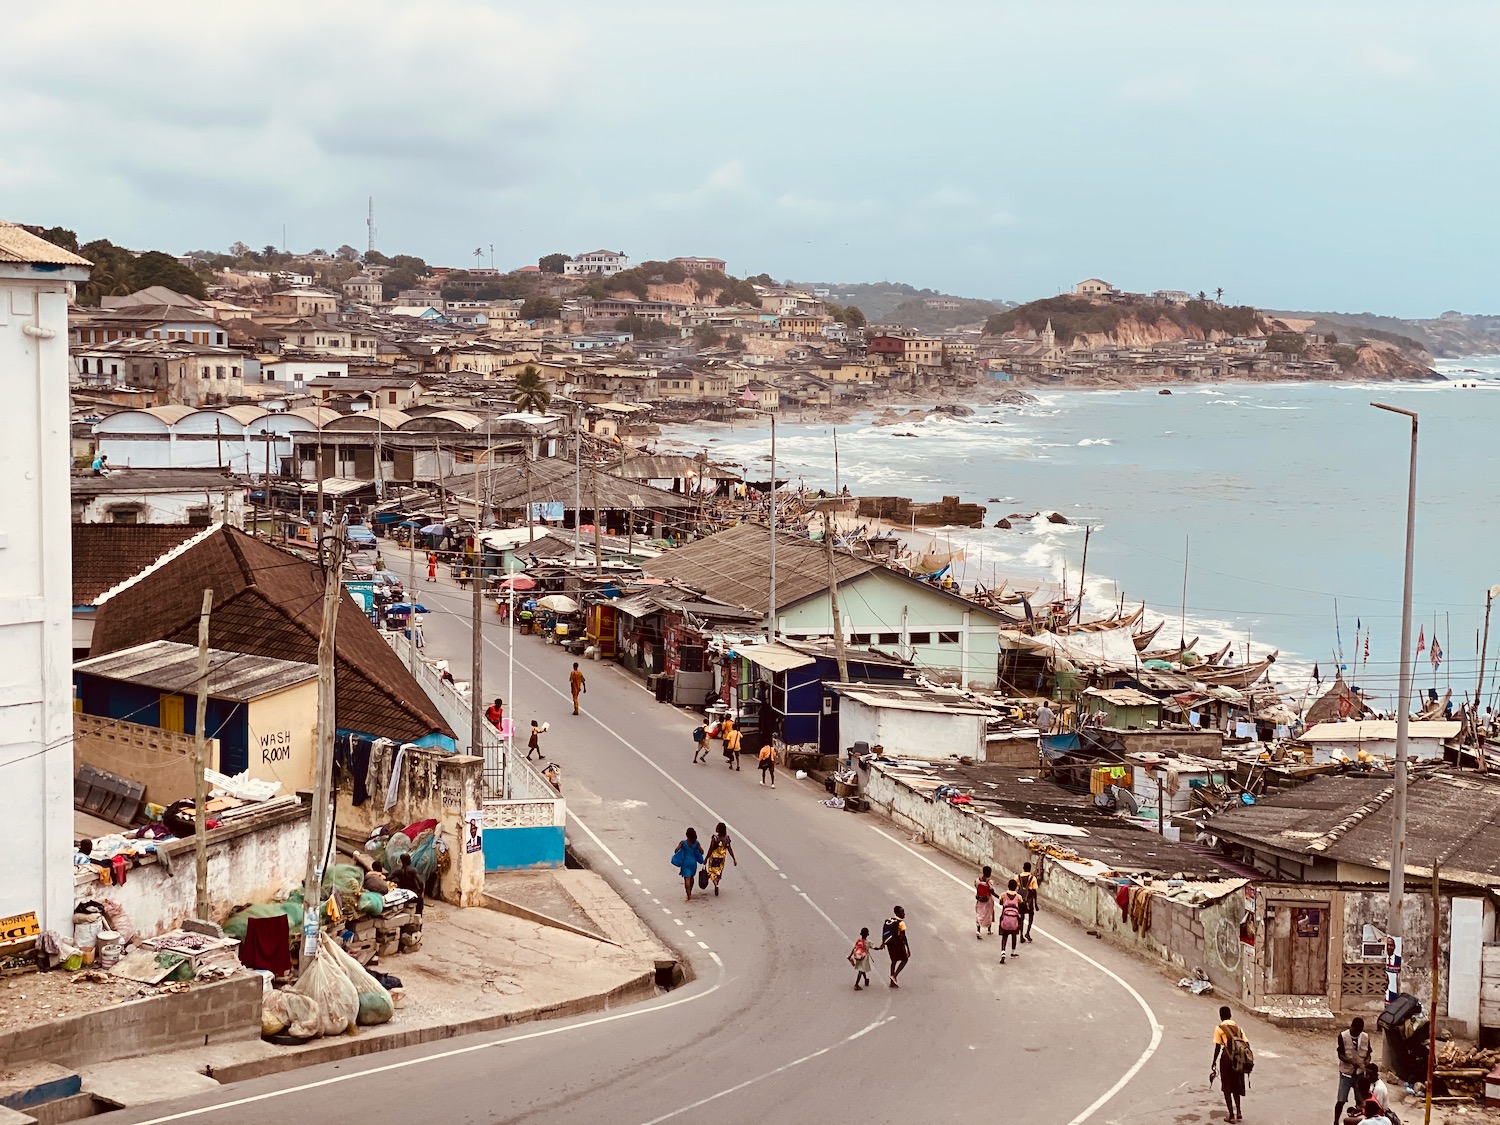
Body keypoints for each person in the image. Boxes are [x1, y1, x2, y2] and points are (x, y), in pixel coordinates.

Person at [1211, 1005, 1249, 1123]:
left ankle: (1231, 1116)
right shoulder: (1238, 1029)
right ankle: (1239, 1111)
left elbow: (1218, 1047)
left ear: (1221, 1016)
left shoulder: (1219, 1028)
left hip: (1226, 1058)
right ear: (1230, 1015)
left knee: (1227, 1086)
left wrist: (1213, 1062)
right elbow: (1246, 1044)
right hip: (1238, 1059)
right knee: (1236, 1085)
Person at [1336, 1017, 1374, 1124]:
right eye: (1356, 1030)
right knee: (1341, 1100)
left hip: (1360, 1074)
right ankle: (1336, 1121)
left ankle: (1361, 1120)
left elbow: (1368, 1054)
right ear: (1352, 1027)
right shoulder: (1343, 1036)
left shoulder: (1365, 1037)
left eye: (1360, 1030)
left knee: (1360, 1100)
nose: (1358, 1032)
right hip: (1346, 1073)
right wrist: (1350, 1061)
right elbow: (1340, 1054)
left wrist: (1366, 1061)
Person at [876, 905, 910, 987]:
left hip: (889, 944)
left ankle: (892, 982)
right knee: (905, 959)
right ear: (897, 913)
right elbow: (903, 937)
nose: (904, 914)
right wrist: (908, 948)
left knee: (893, 961)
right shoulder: (901, 923)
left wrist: (883, 942)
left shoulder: (889, 920)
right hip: (897, 944)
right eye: (902, 912)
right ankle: (894, 976)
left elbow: (886, 931)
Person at [670, 827, 705, 903]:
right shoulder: (696, 843)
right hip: (693, 863)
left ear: (687, 835)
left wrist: (681, 851)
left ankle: (688, 895)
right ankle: (690, 892)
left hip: (685, 863)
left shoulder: (683, 843)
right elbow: (702, 852)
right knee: (691, 878)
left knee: (687, 880)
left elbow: (676, 850)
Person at [704, 822, 737, 895]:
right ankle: (717, 883)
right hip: (722, 858)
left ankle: (714, 883)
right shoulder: (727, 838)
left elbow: (710, 849)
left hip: (714, 857)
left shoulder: (715, 838)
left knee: (712, 871)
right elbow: (730, 849)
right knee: (718, 872)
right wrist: (734, 859)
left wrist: (706, 858)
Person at [997, 878, 1024, 963]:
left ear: (1008, 886)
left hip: (1005, 917)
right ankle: (1013, 952)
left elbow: (1000, 903)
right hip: (1014, 919)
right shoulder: (1018, 897)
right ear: (1016, 887)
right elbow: (1021, 905)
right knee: (1014, 935)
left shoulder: (1003, 895)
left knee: (1004, 936)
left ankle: (1003, 951)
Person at [1018, 861, 1039, 942]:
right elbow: (1034, 891)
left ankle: (1021, 935)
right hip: (1029, 901)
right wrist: (1036, 903)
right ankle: (1028, 932)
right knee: (1031, 916)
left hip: (1021, 900)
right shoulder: (1033, 878)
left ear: (1023, 868)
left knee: (1021, 918)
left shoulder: (1018, 877)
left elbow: (1015, 888)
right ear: (1030, 869)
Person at [974, 865, 997, 938]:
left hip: (980, 900)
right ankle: (989, 930)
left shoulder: (978, 880)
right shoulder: (990, 882)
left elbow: (976, 886)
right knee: (989, 913)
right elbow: (992, 891)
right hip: (988, 900)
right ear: (990, 873)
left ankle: (978, 930)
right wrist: (999, 897)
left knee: (979, 914)